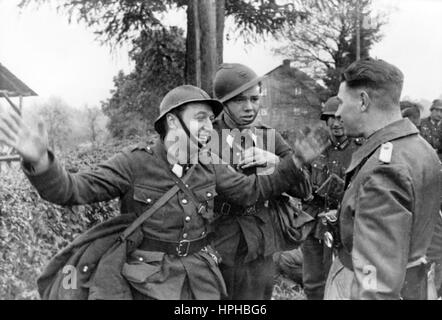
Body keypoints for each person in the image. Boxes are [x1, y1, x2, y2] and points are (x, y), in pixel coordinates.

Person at [0, 84, 323, 300]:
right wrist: (41, 162)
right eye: (199, 119)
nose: (209, 127)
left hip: (199, 278)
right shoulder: (134, 162)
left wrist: (293, 162)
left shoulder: (208, 163)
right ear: (172, 122)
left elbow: (251, 192)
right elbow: (72, 190)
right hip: (147, 280)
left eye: (211, 120)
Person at [324, 57, 441, 300]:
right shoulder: (421, 148)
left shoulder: (383, 169)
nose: (337, 112)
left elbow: (376, 280)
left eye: (342, 102)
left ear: (363, 101)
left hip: (363, 285)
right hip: (414, 283)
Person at [209, 63, 313, 300]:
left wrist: (276, 161)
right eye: (240, 100)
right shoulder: (207, 137)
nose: (249, 107)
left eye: (254, 99)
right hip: (218, 237)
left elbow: (305, 189)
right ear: (223, 102)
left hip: (261, 242)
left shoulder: (269, 137)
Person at [297, 96, 361, 300]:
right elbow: (299, 179)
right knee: (313, 280)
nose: (336, 123)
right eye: (330, 118)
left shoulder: (361, 149)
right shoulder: (314, 148)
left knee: (345, 280)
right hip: (314, 220)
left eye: (340, 117)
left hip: (346, 222)